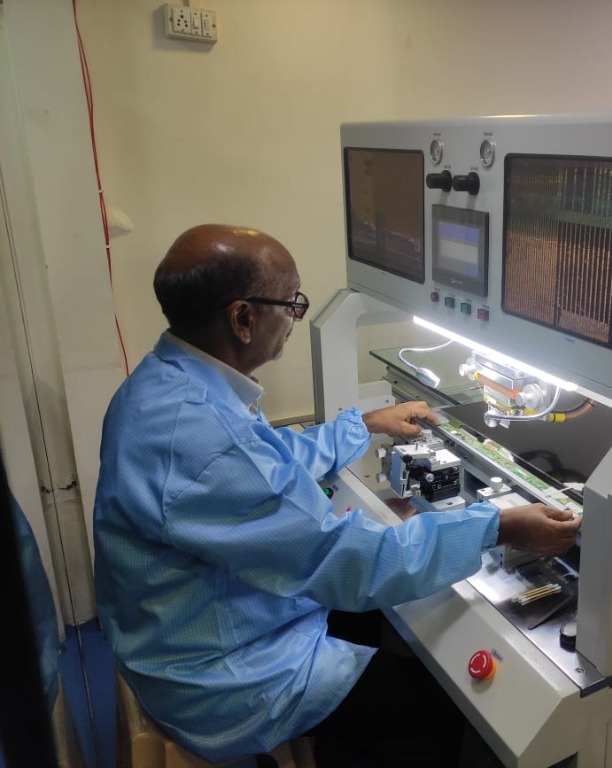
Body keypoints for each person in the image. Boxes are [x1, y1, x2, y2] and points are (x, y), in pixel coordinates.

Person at [92, 224, 581, 766]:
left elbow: (265, 461)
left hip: (187, 630)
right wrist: (499, 524)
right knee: (448, 708)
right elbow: (351, 562)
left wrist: (363, 425)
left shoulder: (166, 384)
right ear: (243, 319)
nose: (295, 319)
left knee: (386, 625)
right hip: (224, 678)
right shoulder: (203, 436)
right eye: (292, 303)